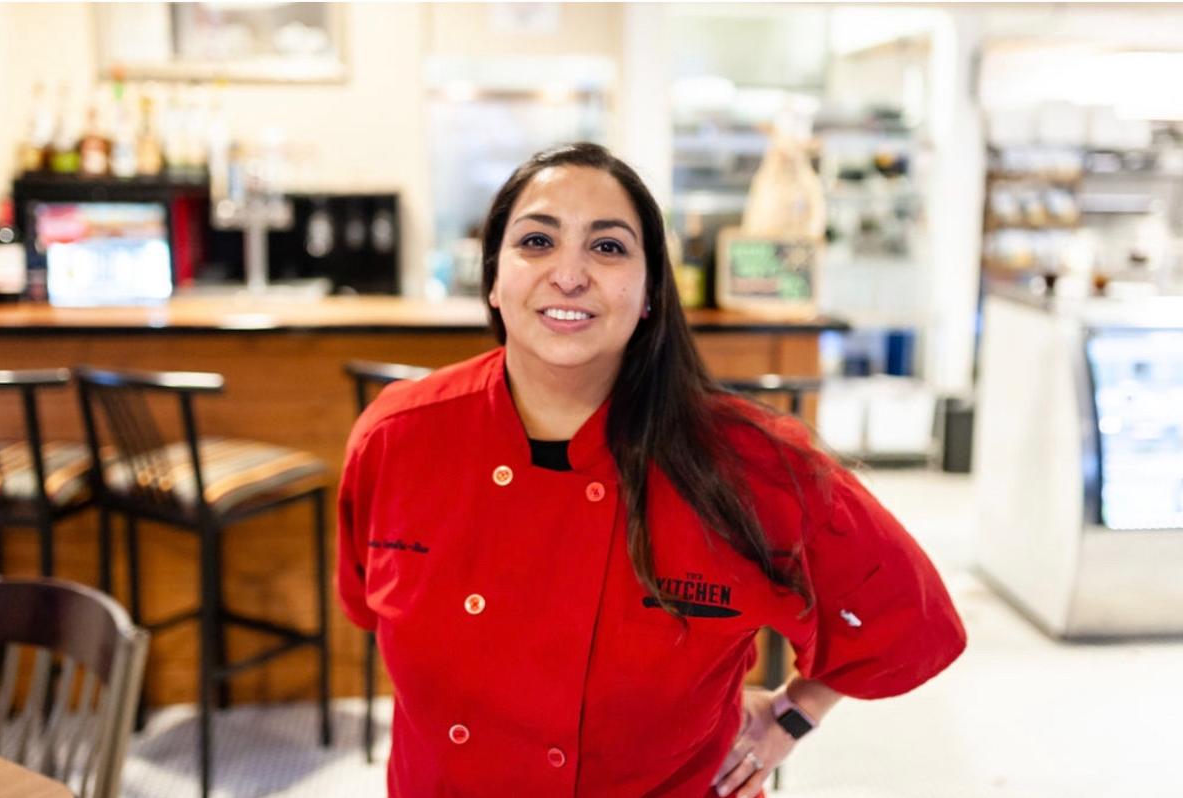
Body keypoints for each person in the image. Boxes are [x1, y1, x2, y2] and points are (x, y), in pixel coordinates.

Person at [336, 142, 966, 798]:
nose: (569, 274)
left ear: (648, 294)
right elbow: (363, 602)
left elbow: (909, 621)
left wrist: (792, 715)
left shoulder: (745, 462)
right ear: (494, 279)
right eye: (535, 241)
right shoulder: (399, 436)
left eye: (607, 248)